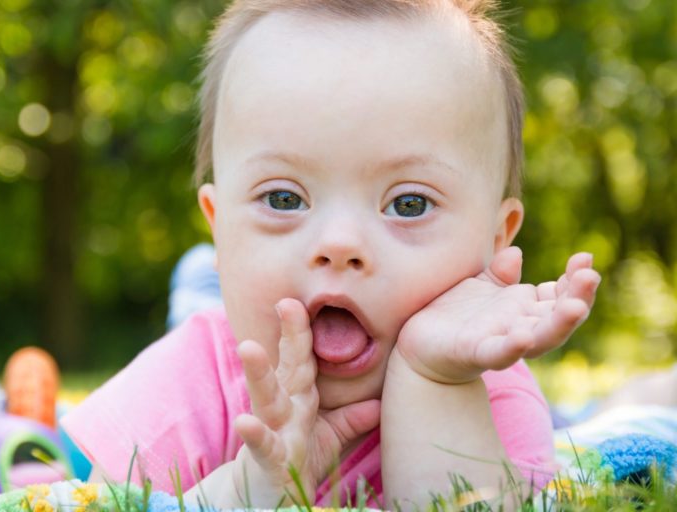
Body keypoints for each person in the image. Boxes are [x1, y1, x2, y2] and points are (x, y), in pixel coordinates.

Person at [61, 0, 602, 508]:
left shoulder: (488, 387)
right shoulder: (189, 382)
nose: (339, 244)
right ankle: (198, 286)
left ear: (495, 240)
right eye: (284, 198)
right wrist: (254, 488)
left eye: (409, 203)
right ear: (219, 228)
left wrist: (430, 380)